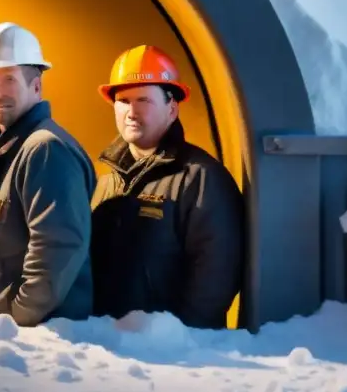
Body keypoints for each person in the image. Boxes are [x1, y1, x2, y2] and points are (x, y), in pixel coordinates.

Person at [89, 45, 244, 329]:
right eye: (123, 100)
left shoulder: (201, 179)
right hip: (108, 349)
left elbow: (216, 276)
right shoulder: (106, 182)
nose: (131, 112)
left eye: (144, 100)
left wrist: (178, 342)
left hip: (172, 358)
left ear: (172, 108)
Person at [0, 22, 96, 327]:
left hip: (36, 340)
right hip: (6, 337)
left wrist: (19, 322)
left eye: (9, 79)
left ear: (36, 86)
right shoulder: (10, 150)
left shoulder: (45, 150)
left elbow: (56, 249)